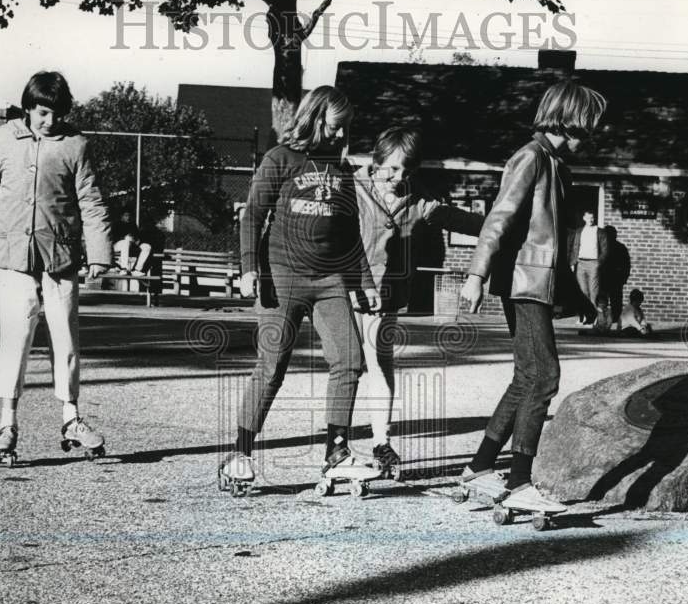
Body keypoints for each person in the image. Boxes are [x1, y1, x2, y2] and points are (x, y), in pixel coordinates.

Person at [220, 86, 381, 494]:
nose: (343, 136)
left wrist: (364, 282)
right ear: (314, 117)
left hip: (329, 281)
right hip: (282, 275)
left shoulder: (341, 170)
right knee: (272, 366)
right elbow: (253, 215)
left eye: (347, 129)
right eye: (336, 127)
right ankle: (239, 452)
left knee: (349, 360)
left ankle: (337, 451)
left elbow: (348, 234)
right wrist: (248, 268)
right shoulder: (281, 159)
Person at [459, 79, 607, 515]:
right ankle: (520, 481)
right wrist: (475, 274)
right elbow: (498, 219)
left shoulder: (556, 164)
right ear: (572, 118)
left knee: (526, 377)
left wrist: (578, 296)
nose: (593, 135)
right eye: (590, 125)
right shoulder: (530, 157)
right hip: (524, 283)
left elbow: (553, 241)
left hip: (536, 283)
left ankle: (479, 467)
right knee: (544, 377)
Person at [0, 71, 114, 462]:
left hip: (60, 259)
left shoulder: (75, 146)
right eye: (42, 112)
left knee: (66, 339)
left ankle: (71, 417)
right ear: (28, 107)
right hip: (13, 258)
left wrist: (99, 254)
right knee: (16, 337)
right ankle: (7, 423)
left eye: (57, 113)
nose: (50, 121)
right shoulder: (3, 139)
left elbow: (91, 202)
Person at [353, 126, 484, 476]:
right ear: (375, 161)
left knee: (380, 363)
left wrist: (500, 226)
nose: (400, 177)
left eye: (407, 171)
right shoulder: (351, 190)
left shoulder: (419, 199)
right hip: (347, 292)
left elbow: (460, 219)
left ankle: (381, 441)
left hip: (389, 296)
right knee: (348, 366)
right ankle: (337, 444)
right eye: (393, 169)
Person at [569, 209, 609, 329]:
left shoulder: (600, 232)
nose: (590, 220)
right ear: (584, 218)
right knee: (582, 292)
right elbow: (575, 247)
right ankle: (584, 317)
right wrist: (572, 262)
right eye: (588, 218)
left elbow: (605, 250)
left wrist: (598, 263)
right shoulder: (579, 231)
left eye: (592, 218)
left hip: (593, 263)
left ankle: (593, 318)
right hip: (580, 262)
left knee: (593, 292)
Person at [602, 226, 631, 331]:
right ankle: (605, 322)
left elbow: (626, 265)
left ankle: (612, 322)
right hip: (606, 279)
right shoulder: (601, 247)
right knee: (605, 302)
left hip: (614, 280)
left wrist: (623, 278)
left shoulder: (620, 248)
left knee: (615, 303)